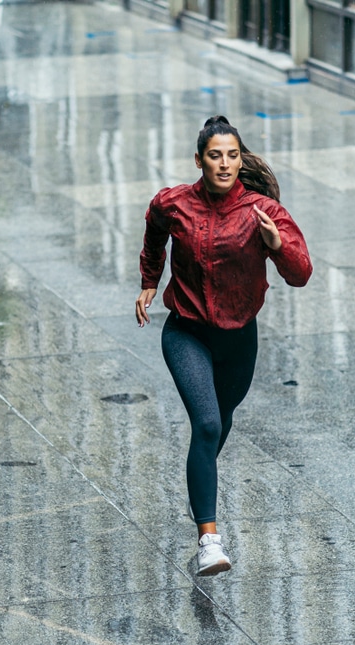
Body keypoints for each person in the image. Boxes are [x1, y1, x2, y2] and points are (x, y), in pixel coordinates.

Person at [136, 115, 312, 576]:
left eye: (232, 155)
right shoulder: (173, 203)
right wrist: (149, 282)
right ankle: (209, 541)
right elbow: (155, 232)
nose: (225, 163)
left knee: (217, 425)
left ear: (240, 158)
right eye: (215, 155)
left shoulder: (263, 212)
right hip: (186, 332)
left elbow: (301, 274)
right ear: (200, 159)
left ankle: (199, 484)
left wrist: (277, 246)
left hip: (239, 339)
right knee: (209, 424)